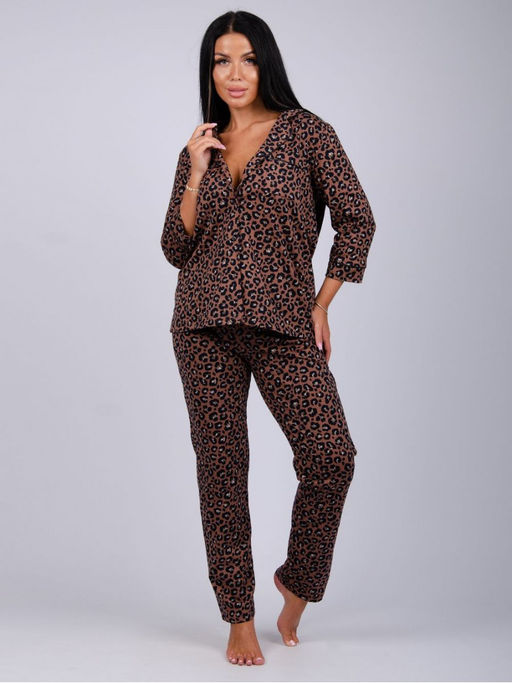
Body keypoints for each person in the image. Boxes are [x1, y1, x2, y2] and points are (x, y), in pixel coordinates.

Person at [160, 10, 376, 667]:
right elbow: (175, 248)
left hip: (284, 322)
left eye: (248, 59)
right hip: (203, 325)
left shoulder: (308, 133)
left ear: (267, 65)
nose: (234, 73)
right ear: (209, 71)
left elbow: (357, 219)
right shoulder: (201, 145)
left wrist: (322, 303)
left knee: (331, 456)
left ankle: (297, 580)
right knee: (222, 471)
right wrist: (196, 171)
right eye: (221, 60)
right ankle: (239, 617)